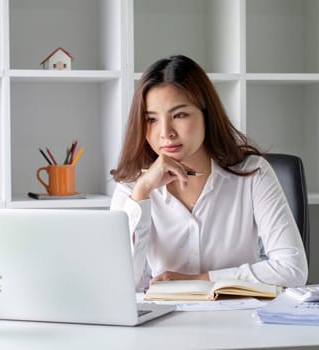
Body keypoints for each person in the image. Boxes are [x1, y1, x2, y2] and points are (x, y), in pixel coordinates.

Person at [110, 55, 308, 290]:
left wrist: (199, 281)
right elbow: (118, 284)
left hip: (244, 319)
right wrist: (141, 193)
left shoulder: (253, 174)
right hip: (166, 323)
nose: (166, 132)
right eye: (151, 119)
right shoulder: (132, 188)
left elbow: (292, 269)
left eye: (179, 115)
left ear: (207, 115)